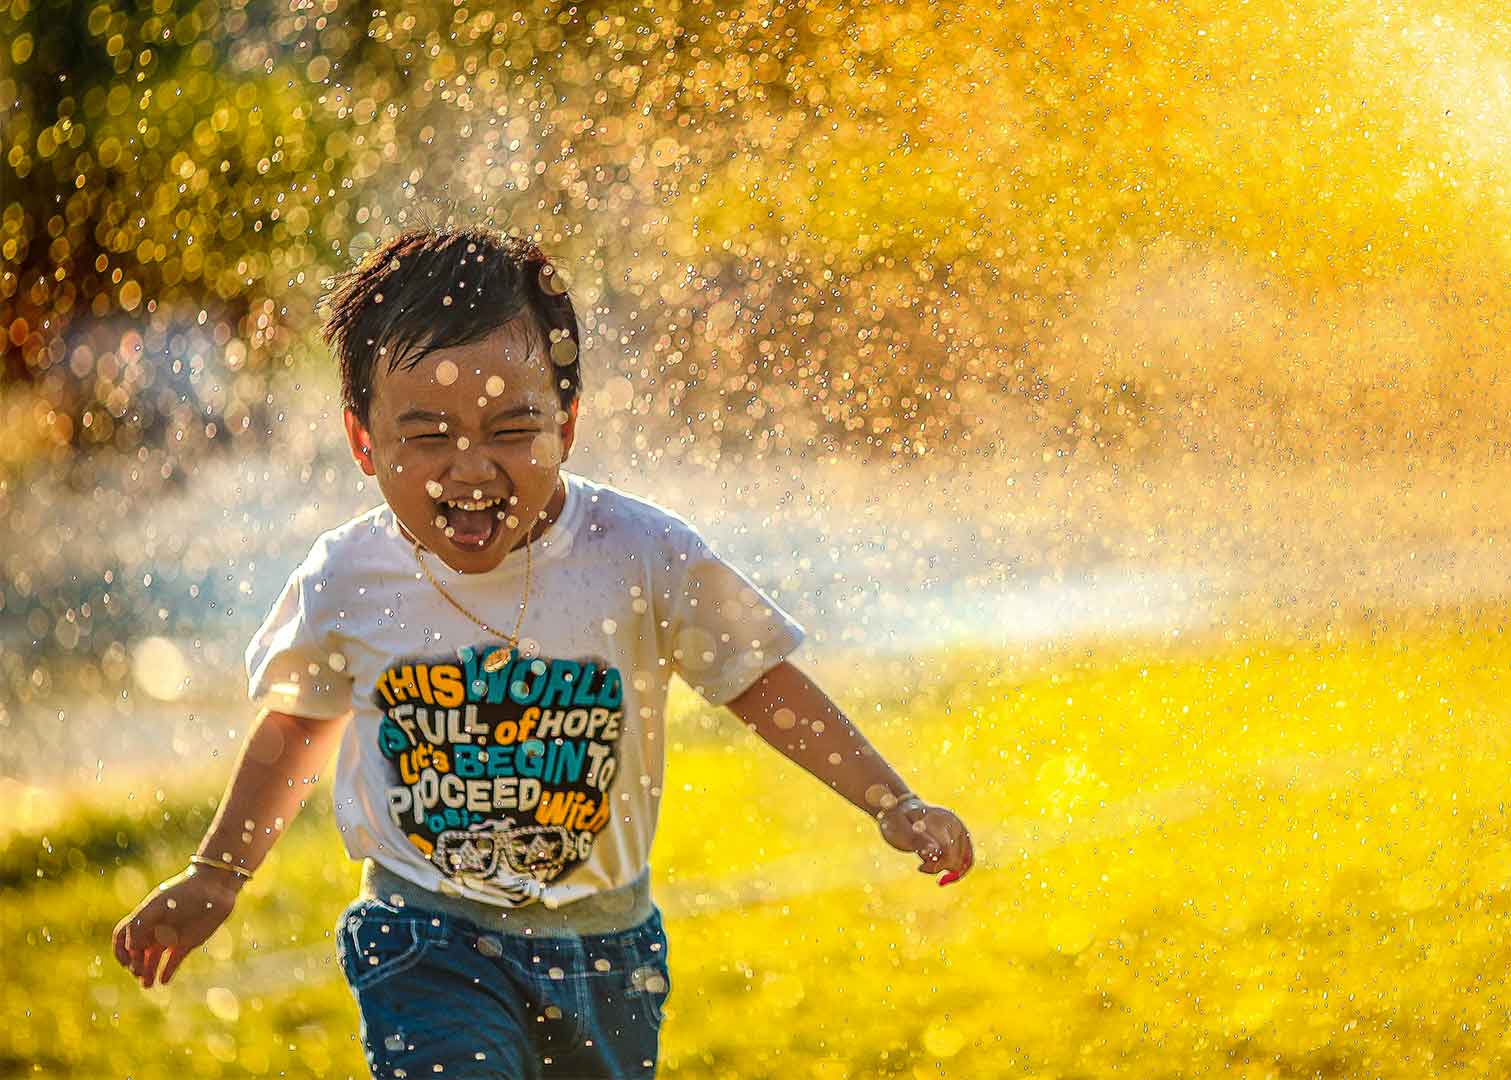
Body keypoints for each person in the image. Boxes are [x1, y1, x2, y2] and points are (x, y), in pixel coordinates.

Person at [108, 224, 975, 1079]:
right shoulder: (349, 577)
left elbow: (759, 681)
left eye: (511, 429)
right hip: (425, 937)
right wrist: (217, 873)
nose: (472, 467)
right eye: (429, 435)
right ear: (364, 443)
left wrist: (890, 801)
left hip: (606, 951)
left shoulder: (639, 554)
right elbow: (298, 727)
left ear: (568, 423)